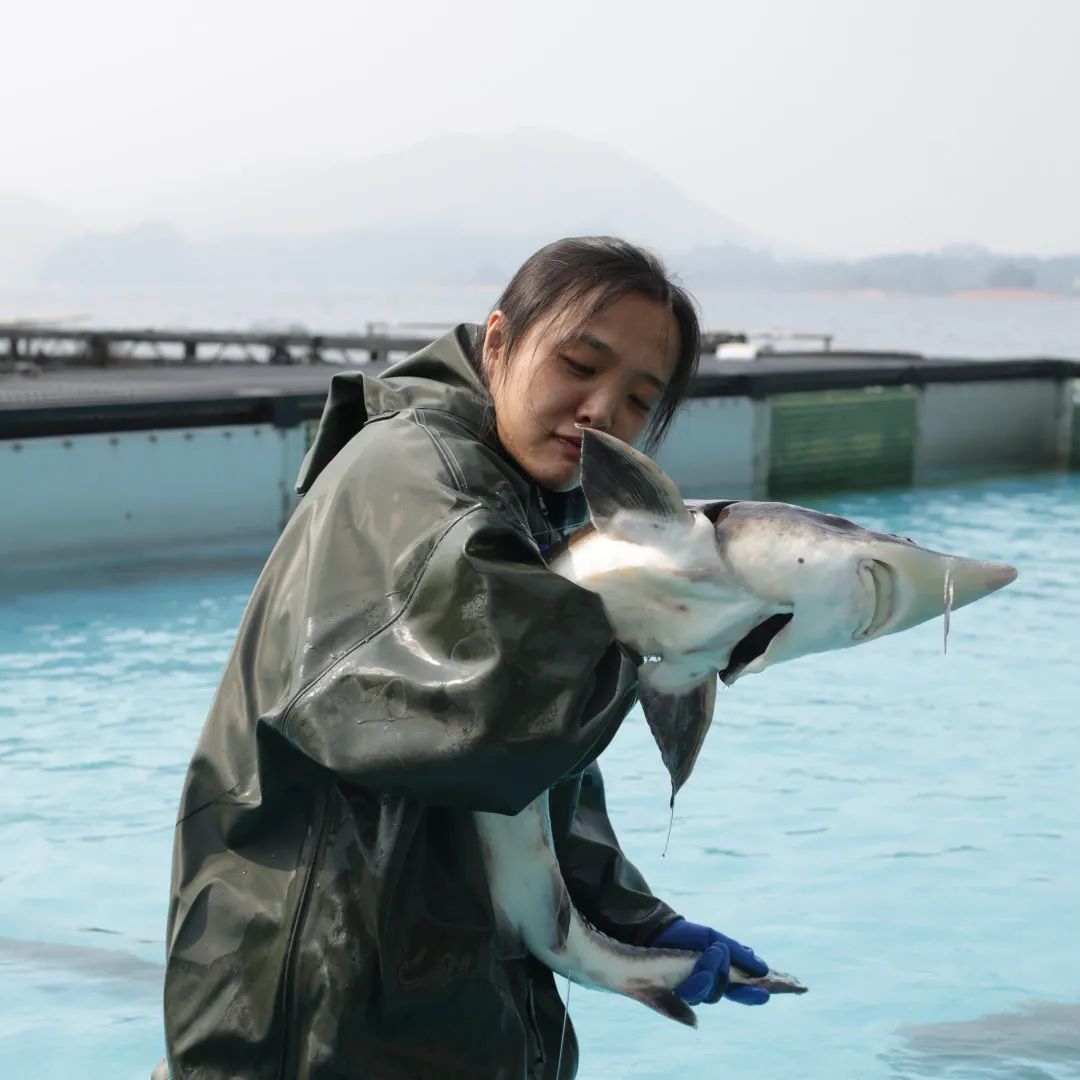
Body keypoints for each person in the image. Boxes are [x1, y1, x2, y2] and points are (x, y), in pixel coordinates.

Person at [160, 236, 770, 1080]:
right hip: (325, 1014)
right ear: (497, 344)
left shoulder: (518, 498)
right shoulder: (418, 474)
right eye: (578, 363)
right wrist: (676, 624)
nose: (600, 411)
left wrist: (626, 917)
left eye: (638, 399)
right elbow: (504, 716)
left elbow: (530, 779)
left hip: (429, 1001)